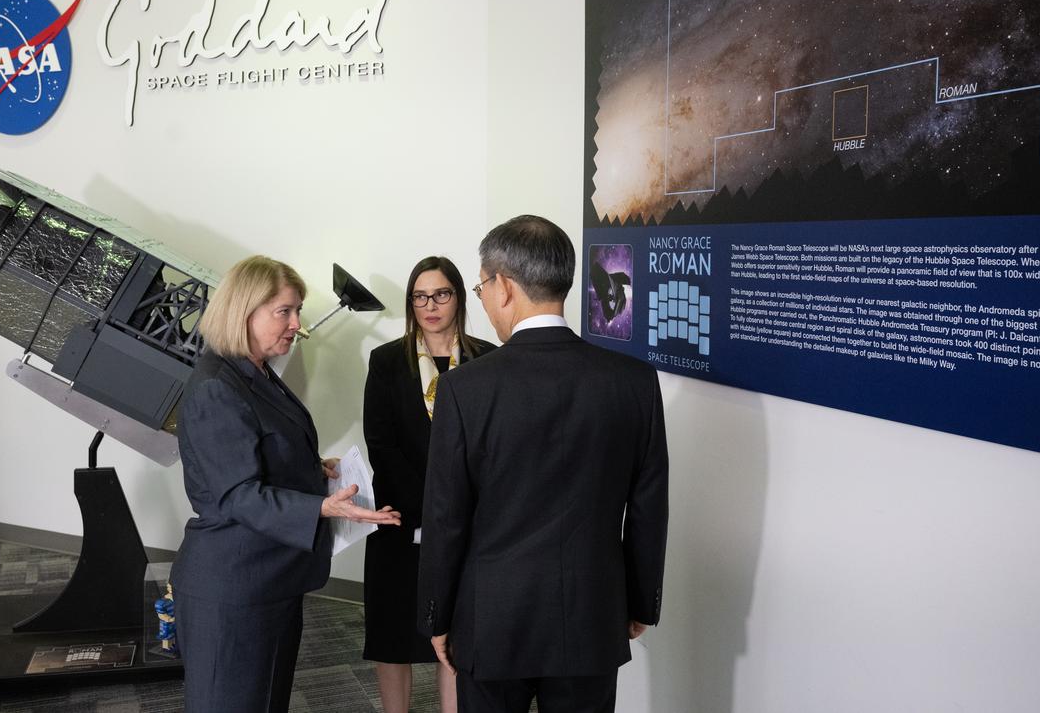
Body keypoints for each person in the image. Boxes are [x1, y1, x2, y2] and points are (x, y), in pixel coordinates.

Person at [417, 216, 669, 713]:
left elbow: (446, 518)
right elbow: (648, 508)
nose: (484, 300)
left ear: (504, 286)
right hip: (592, 615)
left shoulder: (465, 389)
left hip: (491, 620)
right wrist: (639, 602)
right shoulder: (634, 382)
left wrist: (437, 616)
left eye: (482, 286)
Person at [172, 255, 400, 713]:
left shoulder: (254, 374)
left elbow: (257, 453)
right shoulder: (218, 386)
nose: (297, 324)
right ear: (244, 312)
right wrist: (323, 508)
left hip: (269, 581)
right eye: (285, 311)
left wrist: (313, 467)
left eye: (297, 311)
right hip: (233, 587)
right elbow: (236, 494)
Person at [363, 256, 497, 713]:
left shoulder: (488, 359)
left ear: (459, 297)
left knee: (455, 635)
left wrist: (457, 507)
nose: (431, 305)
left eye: (441, 294)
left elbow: (493, 446)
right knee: (393, 633)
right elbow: (380, 443)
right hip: (401, 517)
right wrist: (431, 504)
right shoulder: (386, 361)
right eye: (420, 297)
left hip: (468, 522)